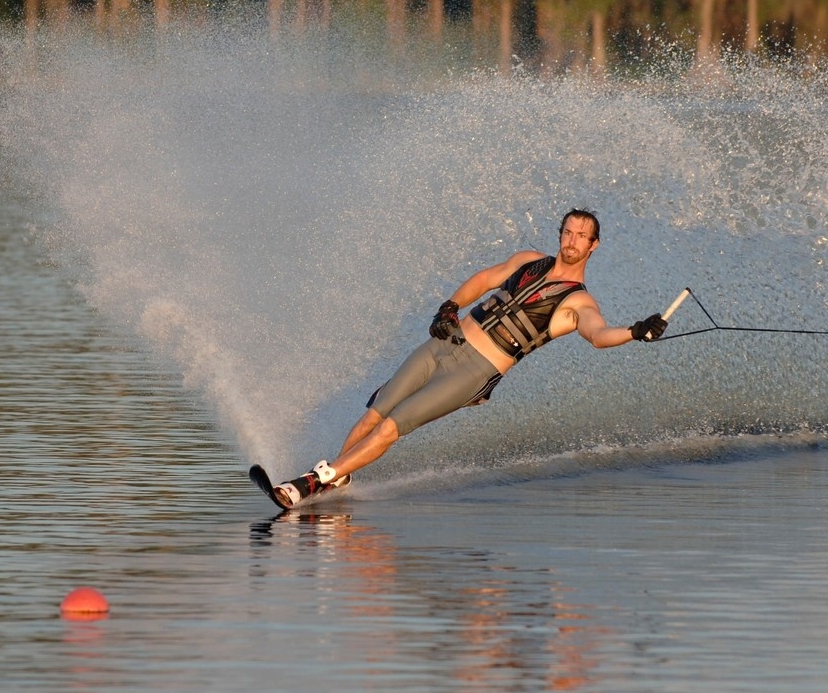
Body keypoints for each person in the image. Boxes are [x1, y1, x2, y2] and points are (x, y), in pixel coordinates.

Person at [269, 209, 668, 507]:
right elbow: (482, 281)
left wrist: (634, 332)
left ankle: (310, 483)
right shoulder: (529, 260)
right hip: (447, 342)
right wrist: (449, 307)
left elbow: (598, 335)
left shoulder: (578, 301)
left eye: (582, 235)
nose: (572, 239)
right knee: (374, 414)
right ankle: (338, 476)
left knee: (391, 428)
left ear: (593, 245)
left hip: (477, 370)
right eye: (568, 231)